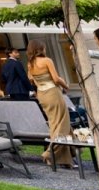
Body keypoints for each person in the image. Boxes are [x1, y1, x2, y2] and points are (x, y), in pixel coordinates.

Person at [27, 40, 74, 168]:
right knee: (62, 124)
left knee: (55, 124)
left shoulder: (30, 64)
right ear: (41, 48)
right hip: (53, 93)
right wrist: (66, 85)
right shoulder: (47, 60)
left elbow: (32, 80)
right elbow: (56, 78)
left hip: (42, 95)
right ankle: (49, 154)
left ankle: (65, 159)